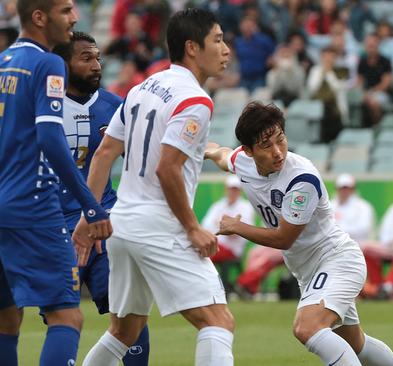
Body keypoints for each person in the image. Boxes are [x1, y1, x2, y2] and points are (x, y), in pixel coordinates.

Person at [78, 9, 235, 365]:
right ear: (192, 48)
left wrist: (88, 214)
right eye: (218, 40)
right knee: (218, 321)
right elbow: (168, 169)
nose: (226, 49)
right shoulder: (196, 101)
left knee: (123, 331)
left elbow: (104, 154)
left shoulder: (140, 88)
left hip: (123, 225)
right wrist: (193, 227)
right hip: (160, 226)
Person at [205, 101, 393, 366]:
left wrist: (237, 227)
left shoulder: (301, 179)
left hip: (336, 260)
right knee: (356, 344)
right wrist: (206, 150)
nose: (278, 152)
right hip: (308, 270)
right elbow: (222, 155)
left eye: (281, 140)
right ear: (249, 151)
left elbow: (284, 238)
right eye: (267, 145)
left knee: (306, 328)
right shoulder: (242, 161)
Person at [0, 1, 113, 365]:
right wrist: (90, 205)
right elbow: (50, 138)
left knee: (6, 318)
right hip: (32, 205)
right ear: (39, 17)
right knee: (67, 315)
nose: (75, 18)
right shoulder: (48, 62)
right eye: (65, 11)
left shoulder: (4, 62)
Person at [52, 31, 150, 365]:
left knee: (130, 310)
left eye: (98, 58)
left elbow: (141, 166)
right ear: (63, 65)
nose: (97, 65)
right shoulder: (41, 107)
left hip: (104, 222)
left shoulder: (115, 107)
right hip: (52, 226)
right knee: (62, 318)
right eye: (86, 59)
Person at [202, 175, 255, 264]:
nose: (233, 192)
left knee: (203, 255)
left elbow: (241, 233)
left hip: (232, 249)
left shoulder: (246, 207)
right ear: (226, 189)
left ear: (240, 191)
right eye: (231, 189)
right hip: (214, 244)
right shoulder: (218, 205)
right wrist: (226, 227)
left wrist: (219, 225)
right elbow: (205, 226)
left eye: (235, 189)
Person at [330, 173, 376, 244]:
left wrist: (339, 232)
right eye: (341, 188)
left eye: (347, 188)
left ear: (353, 189)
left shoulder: (363, 207)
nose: (344, 191)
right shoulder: (330, 206)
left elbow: (364, 229)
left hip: (357, 245)